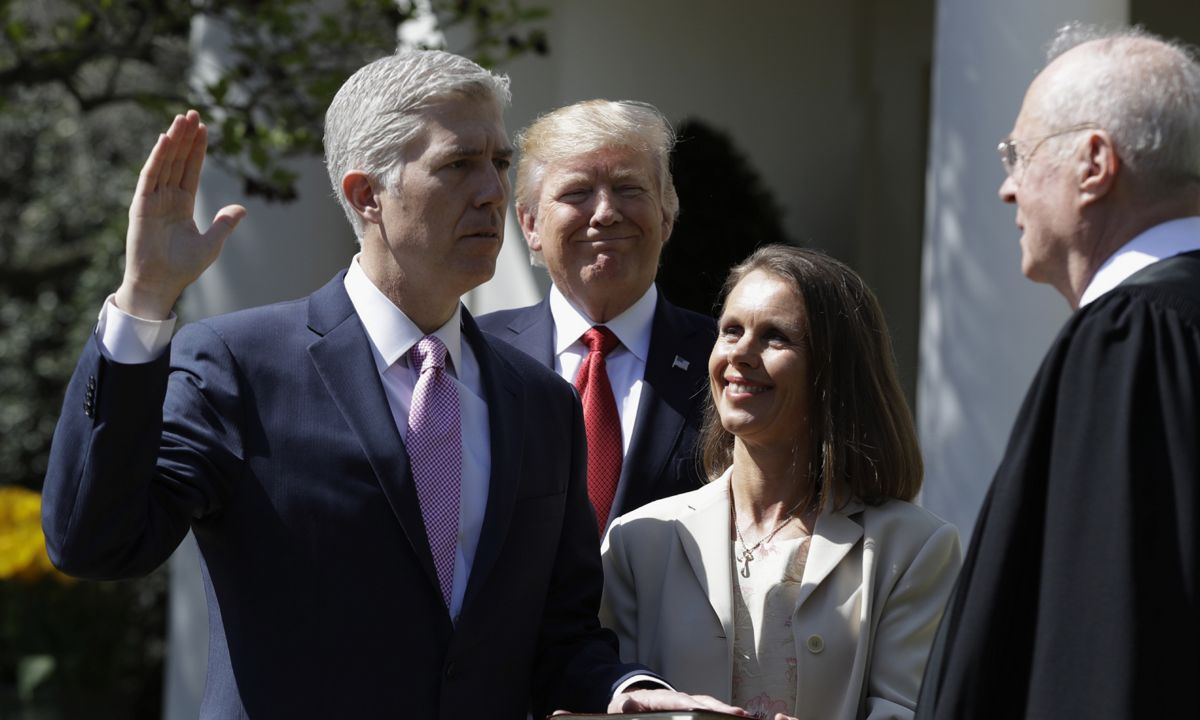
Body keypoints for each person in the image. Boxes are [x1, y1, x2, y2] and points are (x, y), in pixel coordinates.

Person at [40, 50, 743, 718]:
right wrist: (142, 302)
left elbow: (558, 635)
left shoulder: (538, 402)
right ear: (366, 194)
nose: (494, 191)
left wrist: (625, 689)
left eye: (498, 162)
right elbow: (95, 542)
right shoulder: (239, 365)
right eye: (459, 164)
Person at [917, 25, 1200, 720]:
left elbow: (1107, 646)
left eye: (1018, 155)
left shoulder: (1139, 341)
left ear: (1094, 163)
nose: (1005, 189)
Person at [599, 245, 963, 719]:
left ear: (834, 370)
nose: (741, 354)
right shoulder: (639, 539)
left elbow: (914, 710)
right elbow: (603, 695)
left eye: (776, 337)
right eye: (731, 331)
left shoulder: (916, 549)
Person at [479, 100, 716, 535]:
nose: (605, 212)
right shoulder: (472, 355)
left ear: (666, 216)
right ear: (529, 224)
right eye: (576, 192)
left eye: (629, 188)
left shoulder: (723, 361)